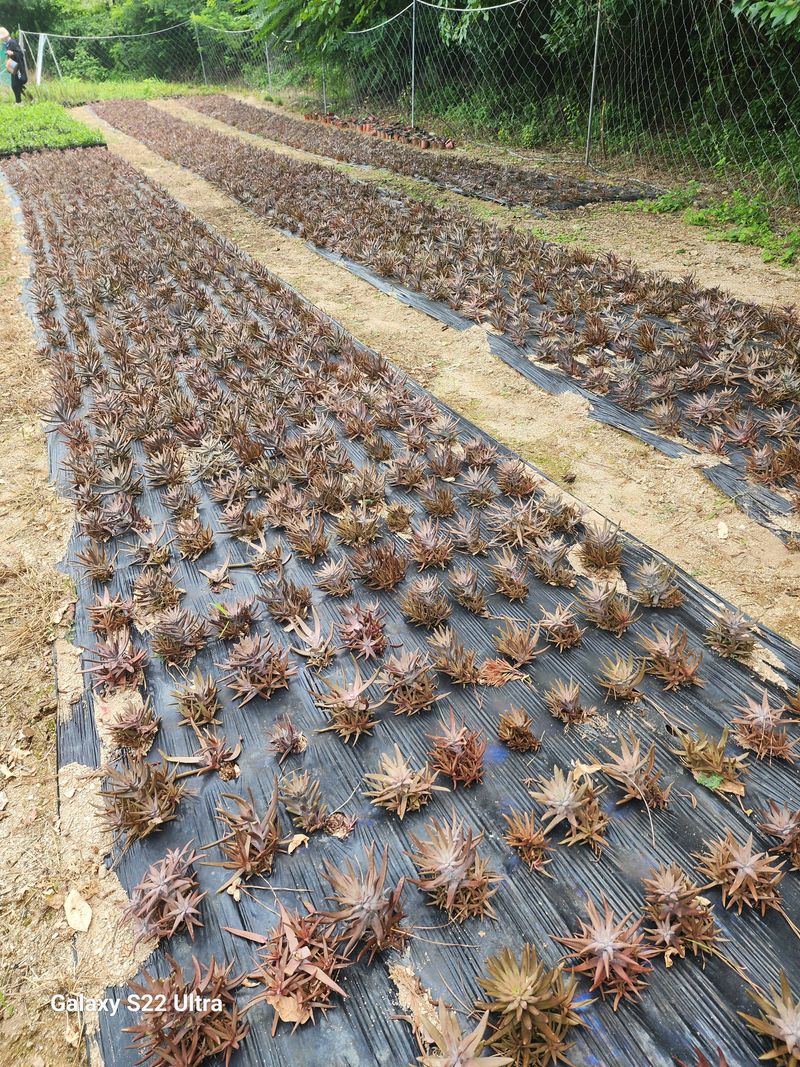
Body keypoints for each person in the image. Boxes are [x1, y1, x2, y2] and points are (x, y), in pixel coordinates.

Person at [0, 28, 27, 103]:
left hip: (17, 66)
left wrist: (12, 53)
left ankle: (19, 102)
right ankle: (29, 99)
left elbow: (20, 54)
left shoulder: (12, 42)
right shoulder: (8, 43)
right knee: (17, 85)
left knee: (15, 85)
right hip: (13, 66)